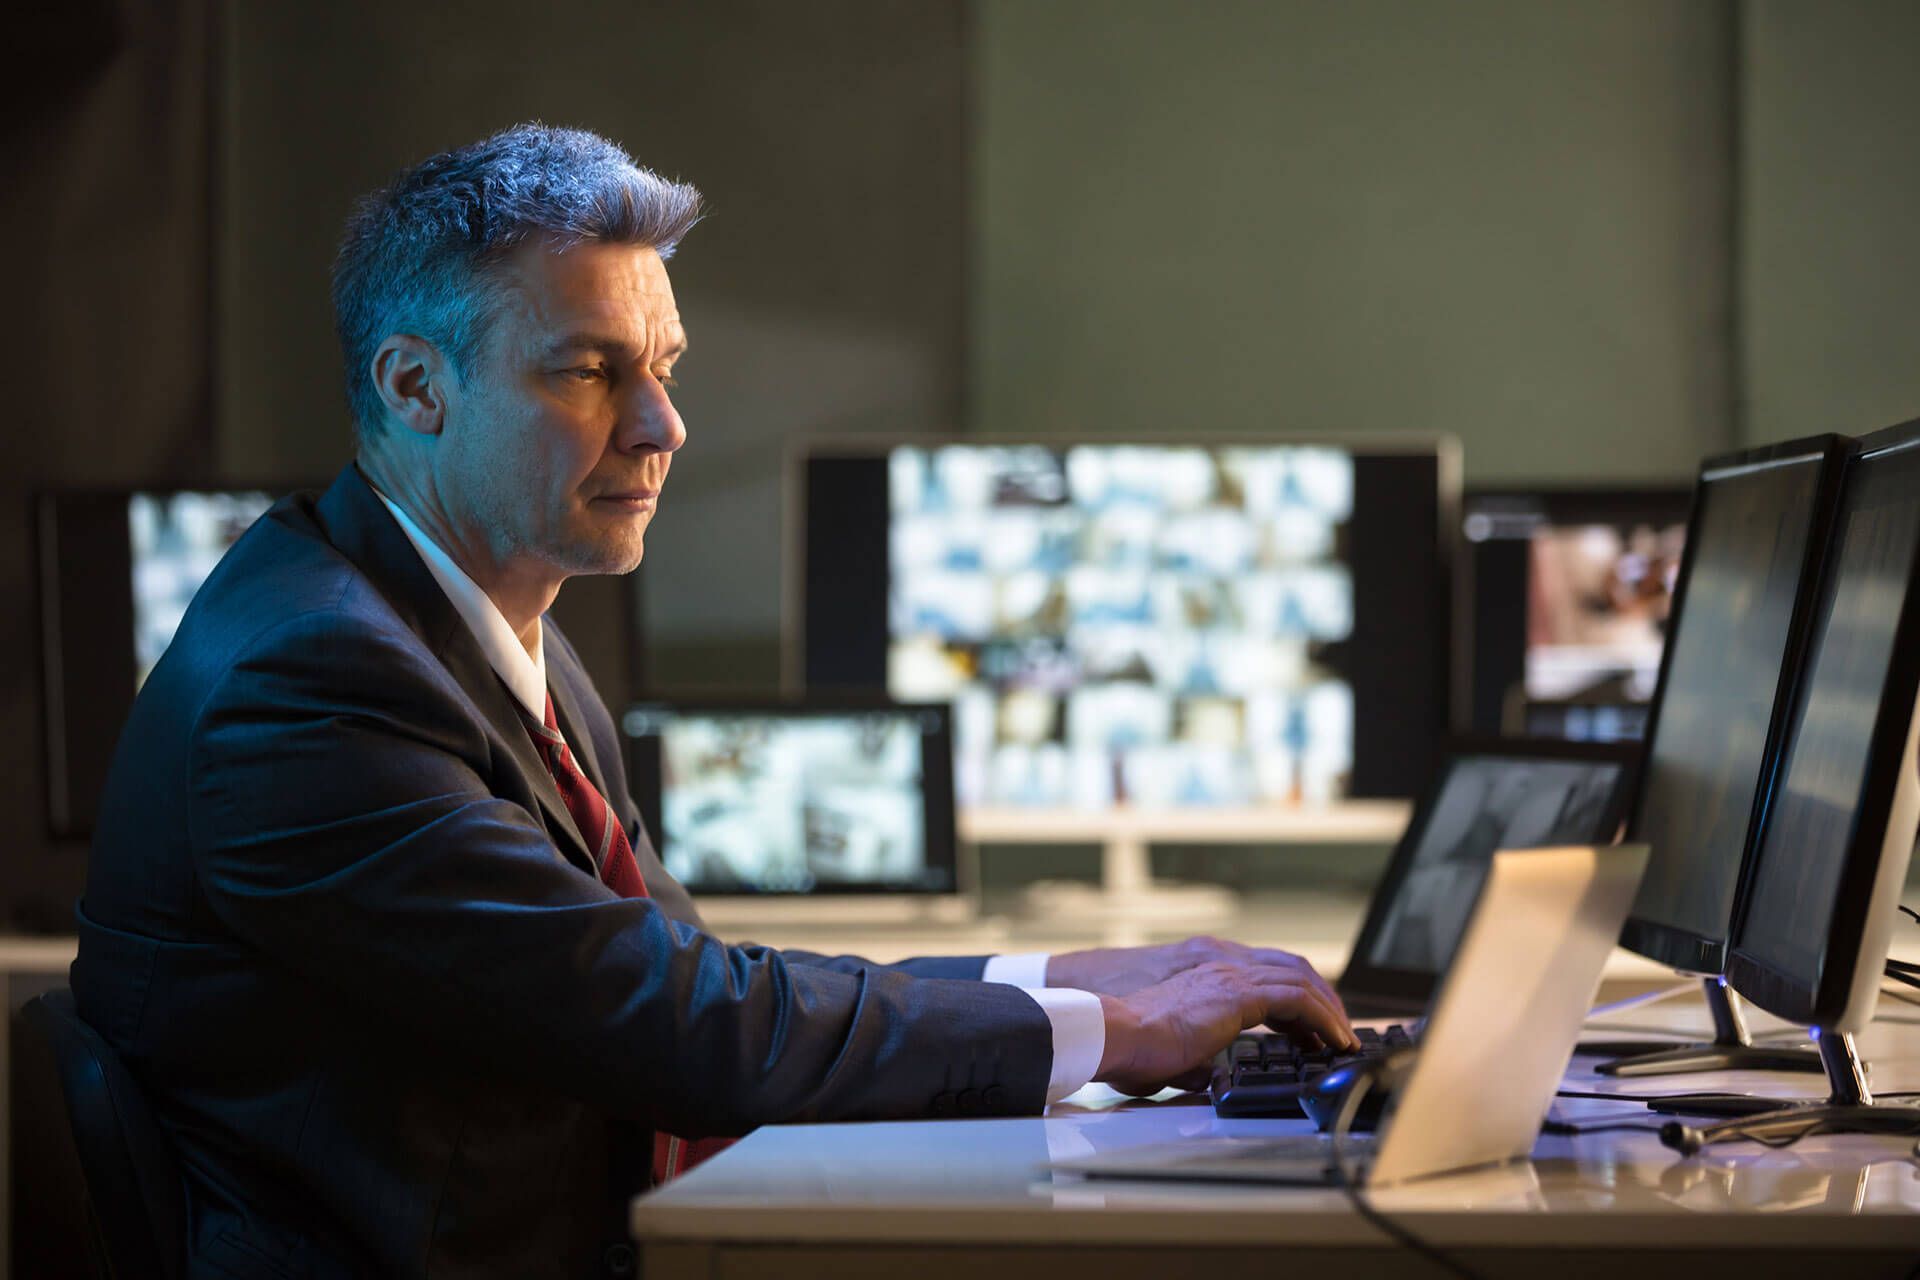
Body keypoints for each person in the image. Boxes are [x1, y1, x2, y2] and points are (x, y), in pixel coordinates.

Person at [73, 124, 1354, 1279]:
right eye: (588, 370)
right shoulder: (310, 690)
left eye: (665, 364)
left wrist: (1064, 974)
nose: (666, 424)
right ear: (415, 387)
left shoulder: (462, 613)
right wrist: (1109, 1030)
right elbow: (679, 1025)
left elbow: (692, 980)